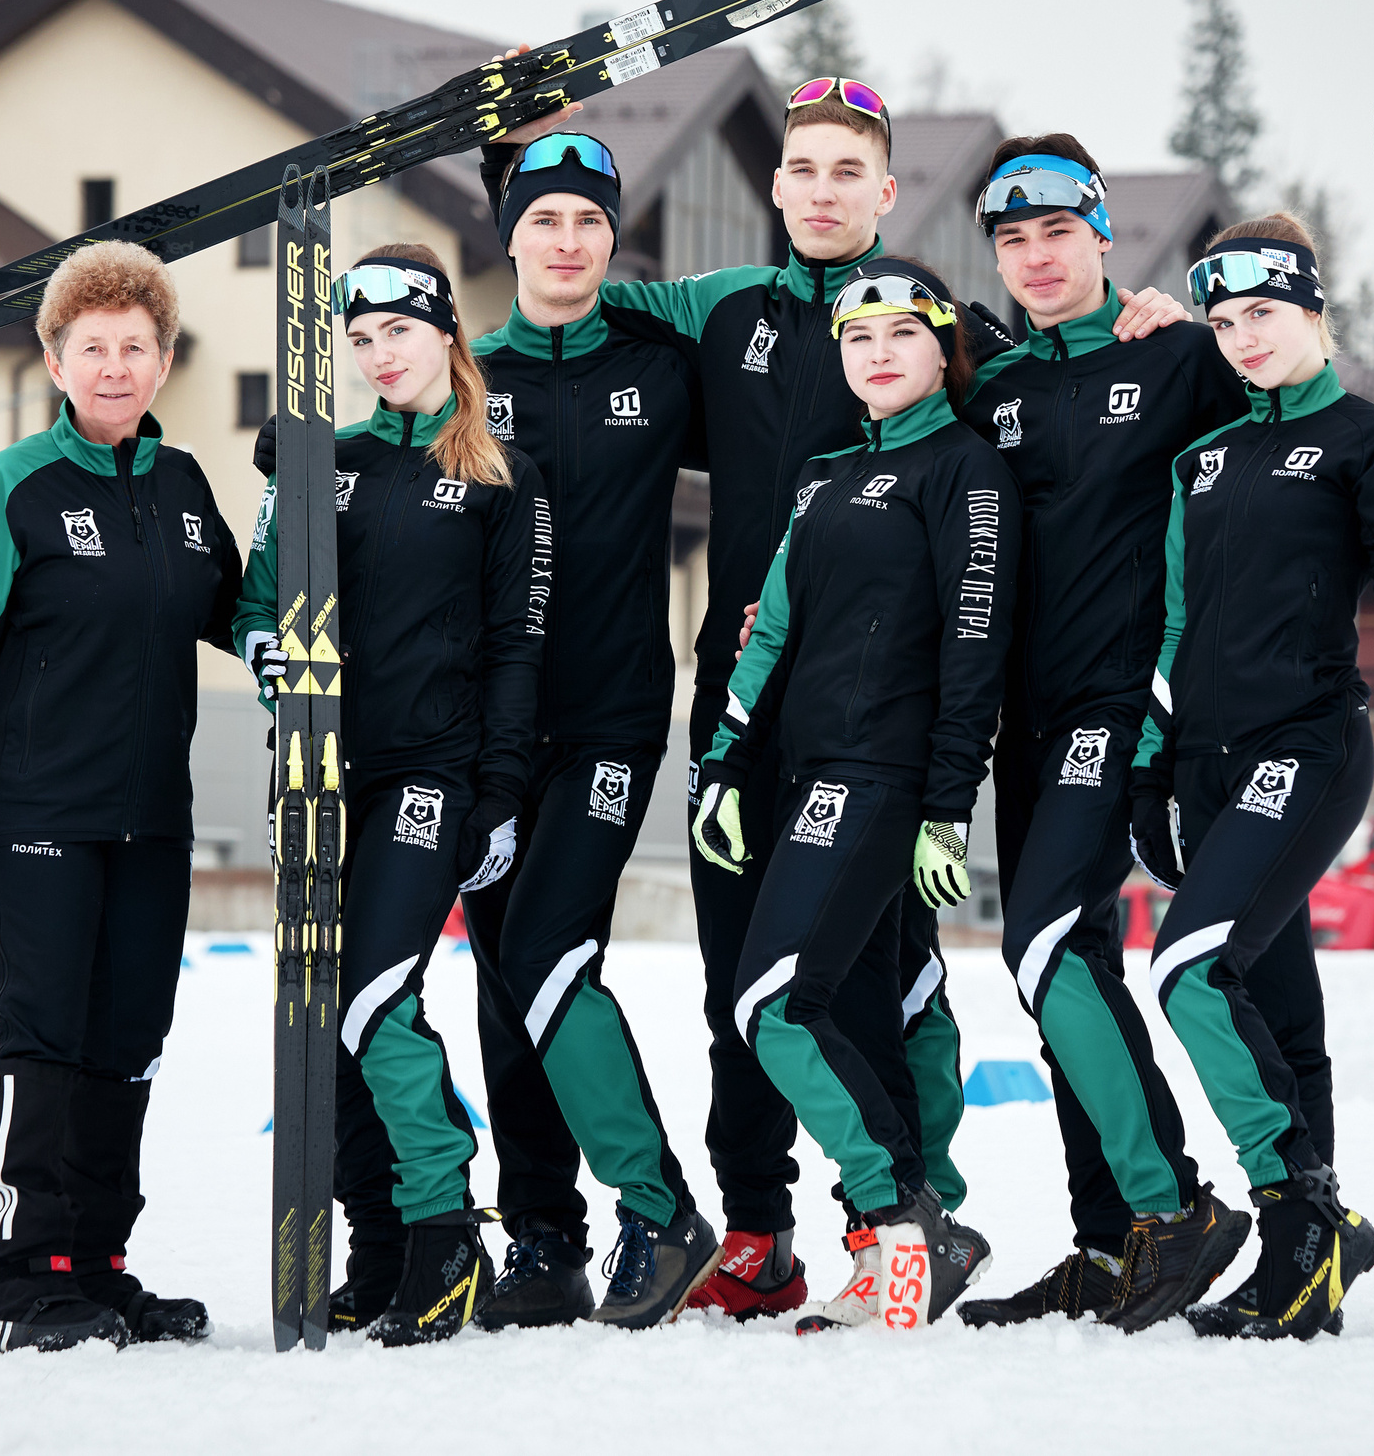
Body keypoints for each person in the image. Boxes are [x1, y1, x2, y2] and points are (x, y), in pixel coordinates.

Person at [598, 78, 1187, 1315]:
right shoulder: (720, 307)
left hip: (891, 724)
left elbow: (1063, 395)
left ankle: (920, 1214)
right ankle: (759, 1229)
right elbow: (567, 297)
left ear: (883, 189)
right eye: (799, 169)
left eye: (843, 173)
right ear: (774, 184)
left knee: (885, 978)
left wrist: (1156, 315)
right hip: (749, 698)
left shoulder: (955, 332)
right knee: (740, 983)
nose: (819, 190)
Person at [1128, 213, 1374, 1340]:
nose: (1242, 340)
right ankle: (1304, 1266)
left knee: (1188, 969)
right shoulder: (1200, 460)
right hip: (1200, 761)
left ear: (1314, 315)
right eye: (1226, 321)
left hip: (1306, 744)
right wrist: (1149, 770)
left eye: (1264, 316)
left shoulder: (1365, 438)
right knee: (1277, 1009)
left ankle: (1301, 1206)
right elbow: (1175, 623)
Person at [0, 241, 239, 1353]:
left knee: (125, 1041)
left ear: (164, 358)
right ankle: (20, 1279)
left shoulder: (184, 486)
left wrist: (301, 523)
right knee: (43, 1039)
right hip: (39, 814)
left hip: (150, 819)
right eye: (91, 346)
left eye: (134, 346)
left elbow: (235, 610)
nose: (114, 366)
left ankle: (96, 1266)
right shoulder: (13, 487)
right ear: (54, 358)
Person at [946, 137, 1258, 1333]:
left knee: (1036, 949)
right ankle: (1107, 1240)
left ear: (1103, 235)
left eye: (1054, 235)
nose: (1033, 259)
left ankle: (1174, 1204)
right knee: (1064, 973)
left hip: (1122, 709)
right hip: (1024, 720)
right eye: (1011, 240)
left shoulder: (1176, 355)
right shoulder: (997, 387)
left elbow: (1295, 427)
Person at [691, 259, 1019, 1333]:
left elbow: (975, 641)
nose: (877, 353)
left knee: (771, 1004)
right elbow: (770, 631)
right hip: (799, 774)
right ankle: (895, 1249)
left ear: (941, 350)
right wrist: (725, 763)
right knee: (842, 1007)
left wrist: (944, 805)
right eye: (857, 337)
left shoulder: (964, 470)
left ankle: (899, 1215)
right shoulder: (826, 475)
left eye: (901, 333)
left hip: (881, 778)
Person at [234, 244, 552, 1346]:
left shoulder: (502, 472)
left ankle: (443, 1231)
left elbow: (519, 645)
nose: (378, 356)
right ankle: (375, 1254)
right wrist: (265, 647)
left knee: (373, 996)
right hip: (318, 771)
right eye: (359, 339)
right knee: (321, 1020)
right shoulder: (322, 464)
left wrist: (497, 793)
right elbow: (257, 599)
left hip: (431, 771)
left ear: (445, 335)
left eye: (398, 333)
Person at [454, 131, 720, 1327]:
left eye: (590, 223)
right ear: (505, 231)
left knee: (551, 949)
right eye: (544, 219)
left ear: (616, 239)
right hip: (485, 728)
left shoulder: (663, 361)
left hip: (613, 714)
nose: (567, 243)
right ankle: (543, 1238)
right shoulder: (462, 374)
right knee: (506, 980)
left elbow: (824, 326)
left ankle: (658, 1208)